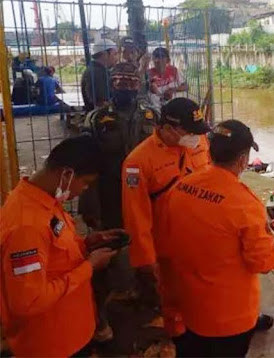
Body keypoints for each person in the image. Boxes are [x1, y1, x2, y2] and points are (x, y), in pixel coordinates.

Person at [162, 120, 274, 357]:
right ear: (242, 160)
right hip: (229, 319)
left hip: (187, 304)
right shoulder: (245, 205)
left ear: (209, 150)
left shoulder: (181, 187)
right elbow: (262, 262)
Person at [0, 136, 123, 357]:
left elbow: (54, 251)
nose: (84, 189)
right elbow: (28, 302)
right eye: (85, 182)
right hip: (52, 344)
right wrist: (89, 268)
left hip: (71, 330)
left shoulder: (44, 201)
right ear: (67, 174)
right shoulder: (26, 226)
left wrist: (87, 244)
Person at [79, 61, 157, 341]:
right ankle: (98, 317)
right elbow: (86, 165)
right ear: (112, 84)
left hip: (146, 198)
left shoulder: (152, 116)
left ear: (140, 85)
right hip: (110, 196)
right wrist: (89, 203)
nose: (126, 87)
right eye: (120, 81)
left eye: (131, 82)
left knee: (147, 247)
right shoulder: (96, 119)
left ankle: (145, 295)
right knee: (107, 254)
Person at [122, 97, 211, 336]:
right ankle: (179, 339)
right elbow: (136, 216)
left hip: (203, 236)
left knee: (206, 289)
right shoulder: (138, 162)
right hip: (168, 247)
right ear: (169, 129)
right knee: (173, 300)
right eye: (190, 131)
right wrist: (145, 260)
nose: (196, 137)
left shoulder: (199, 141)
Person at [81, 39, 119, 111]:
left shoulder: (95, 69)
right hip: (102, 118)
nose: (116, 58)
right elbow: (101, 103)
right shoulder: (97, 73)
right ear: (105, 54)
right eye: (115, 54)